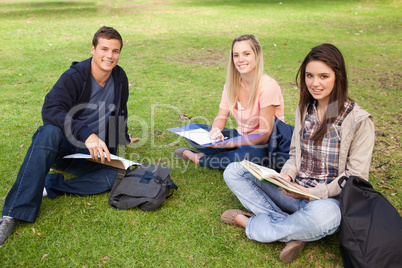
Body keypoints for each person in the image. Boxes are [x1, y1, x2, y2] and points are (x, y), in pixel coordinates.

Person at [220, 43, 375, 263]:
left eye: (323, 76)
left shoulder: (358, 120)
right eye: (309, 76)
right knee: (234, 171)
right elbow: (295, 154)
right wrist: (286, 176)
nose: (314, 83)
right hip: (293, 191)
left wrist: (316, 193)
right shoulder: (305, 108)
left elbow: (356, 178)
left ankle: (249, 223)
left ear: (338, 77)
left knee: (325, 218)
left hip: (326, 201)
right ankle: (293, 230)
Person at [0, 26, 140, 246]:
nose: (110, 56)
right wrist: (87, 134)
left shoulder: (120, 77)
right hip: (66, 149)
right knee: (48, 132)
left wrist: (123, 137)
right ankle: (12, 214)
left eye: (115, 51)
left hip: (96, 154)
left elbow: (120, 111)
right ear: (93, 49)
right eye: (104, 49)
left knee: (121, 175)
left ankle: (51, 185)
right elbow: (51, 110)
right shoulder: (75, 77)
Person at [175, 34, 286, 170]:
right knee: (192, 131)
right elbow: (221, 117)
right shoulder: (231, 86)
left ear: (257, 55)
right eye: (236, 55)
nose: (240, 60)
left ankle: (200, 159)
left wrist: (228, 144)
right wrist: (215, 132)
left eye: (246, 54)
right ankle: (231, 156)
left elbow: (264, 134)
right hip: (241, 136)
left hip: (265, 144)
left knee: (249, 155)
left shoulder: (268, 86)